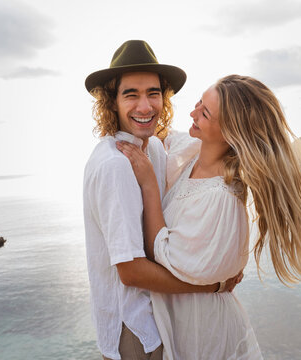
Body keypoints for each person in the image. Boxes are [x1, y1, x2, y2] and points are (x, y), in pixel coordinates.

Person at [117, 74, 301, 359]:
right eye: (199, 102)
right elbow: (157, 132)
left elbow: (160, 255)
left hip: (204, 333)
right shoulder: (191, 154)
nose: (192, 113)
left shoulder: (222, 196)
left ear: (229, 131)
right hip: (181, 324)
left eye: (204, 113)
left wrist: (150, 185)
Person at [83, 41, 242, 360]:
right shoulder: (115, 165)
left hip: (162, 319)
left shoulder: (154, 148)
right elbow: (131, 272)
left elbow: (209, 148)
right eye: (131, 94)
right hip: (135, 331)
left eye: (153, 93)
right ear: (111, 102)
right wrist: (211, 286)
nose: (145, 106)